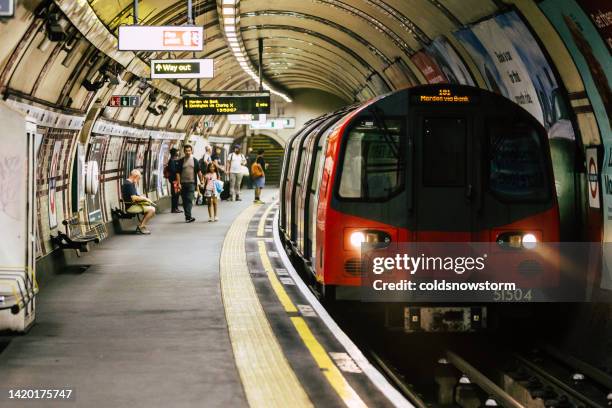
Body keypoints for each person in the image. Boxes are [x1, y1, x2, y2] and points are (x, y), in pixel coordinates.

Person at [121, 169, 156, 234]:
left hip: (133, 204)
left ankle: (141, 225)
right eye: (138, 178)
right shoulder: (129, 185)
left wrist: (143, 197)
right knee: (152, 210)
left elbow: (135, 195)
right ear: (135, 176)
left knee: (150, 208)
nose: (138, 180)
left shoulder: (128, 183)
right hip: (131, 206)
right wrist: (145, 199)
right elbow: (134, 198)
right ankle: (141, 226)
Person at [175, 144, 203, 223]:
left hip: (192, 183)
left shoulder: (195, 160)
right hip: (183, 183)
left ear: (191, 151)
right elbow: (178, 173)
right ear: (184, 151)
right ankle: (188, 216)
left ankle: (188, 216)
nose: (188, 152)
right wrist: (179, 183)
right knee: (184, 200)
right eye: (186, 151)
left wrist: (201, 181)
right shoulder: (181, 161)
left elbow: (199, 172)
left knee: (189, 199)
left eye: (189, 151)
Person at [167, 148, 182, 213]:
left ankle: (176, 208)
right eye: (177, 152)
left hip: (175, 180)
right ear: (174, 153)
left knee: (176, 194)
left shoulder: (173, 160)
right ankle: (174, 209)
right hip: (174, 180)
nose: (178, 153)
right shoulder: (172, 161)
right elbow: (174, 171)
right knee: (175, 194)